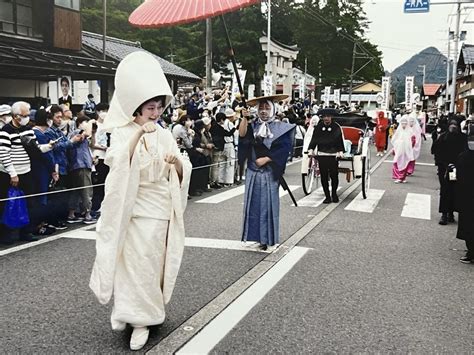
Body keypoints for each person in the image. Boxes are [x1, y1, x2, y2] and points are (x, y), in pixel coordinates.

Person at [89, 52, 191, 351]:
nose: (156, 112)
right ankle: (127, 312)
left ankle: (145, 318)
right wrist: (136, 138)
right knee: (127, 261)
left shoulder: (163, 133)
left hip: (158, 208)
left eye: (160, 107)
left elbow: (181, 170)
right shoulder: (123, 131)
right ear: (138, 106)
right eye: (151, 107)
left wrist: (177, 164)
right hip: (131, 208)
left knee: (148, 263)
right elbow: (116, 164)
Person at [238, 94, 295, 251]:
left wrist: (268, 158)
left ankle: (268, 238)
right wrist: (243, 118)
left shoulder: (280, 127)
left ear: (273, 110)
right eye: (261, 108)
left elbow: (284, 149)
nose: (263, 111)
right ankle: (256, 237)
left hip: (269, 171)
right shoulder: (253, 125)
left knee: (267, 206)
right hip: (252, 171)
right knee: (253, 204)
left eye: (267, 107)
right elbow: (242, 136)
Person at [432, 119, 467, 225]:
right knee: (445, 190)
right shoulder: (443, 137)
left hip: (458, 168)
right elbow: (436, 151)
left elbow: (465, 153)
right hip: (444, 169)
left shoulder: (463, 138)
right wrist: (444, 164)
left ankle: (451, 213)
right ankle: (444, 214)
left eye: (455, 125)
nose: (453, 127)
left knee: (455, 190)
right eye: (451, 125)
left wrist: (458, 165)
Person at [308, 108, 345, 203]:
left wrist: (340, 151)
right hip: (322, 154)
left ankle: (334, 194)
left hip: (333, 154)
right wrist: (311, 149)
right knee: (323, 176)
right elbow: (314, 139)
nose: (326, 118)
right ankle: (327, 196)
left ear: (331, 117)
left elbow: (339, 140)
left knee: (334, 175)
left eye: (328, 116)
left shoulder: (336, 127)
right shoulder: (318, 127)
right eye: (324, 116)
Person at [66, 115, 95, 224]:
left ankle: (72, 213)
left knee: (76, 191)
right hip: (81, 164)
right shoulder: (77, 133)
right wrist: (91, 122)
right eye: (86, 122)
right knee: (86, 190)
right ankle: (87, 214)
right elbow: (86, 134)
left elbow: (92, 144)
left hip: (76, 165)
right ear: (81, 123)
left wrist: (95, 132)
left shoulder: (74, 134)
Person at [455, 121, 474, 264]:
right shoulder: (464, 156)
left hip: (467, 195)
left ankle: (471, 251)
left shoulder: (464, 156)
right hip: (467, 195)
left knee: (468, 223)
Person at [391, 115, 414, 183]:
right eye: (402, 123)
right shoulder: (399, 131)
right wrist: (398, 143)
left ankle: (403, 177)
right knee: (397, 162)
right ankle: (399, 176)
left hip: (406, 150)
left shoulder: (409, 131)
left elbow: (412, 140)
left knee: (405, 162)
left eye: (405, 123)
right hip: (399, 149)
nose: (404, 124)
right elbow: (394, 139)